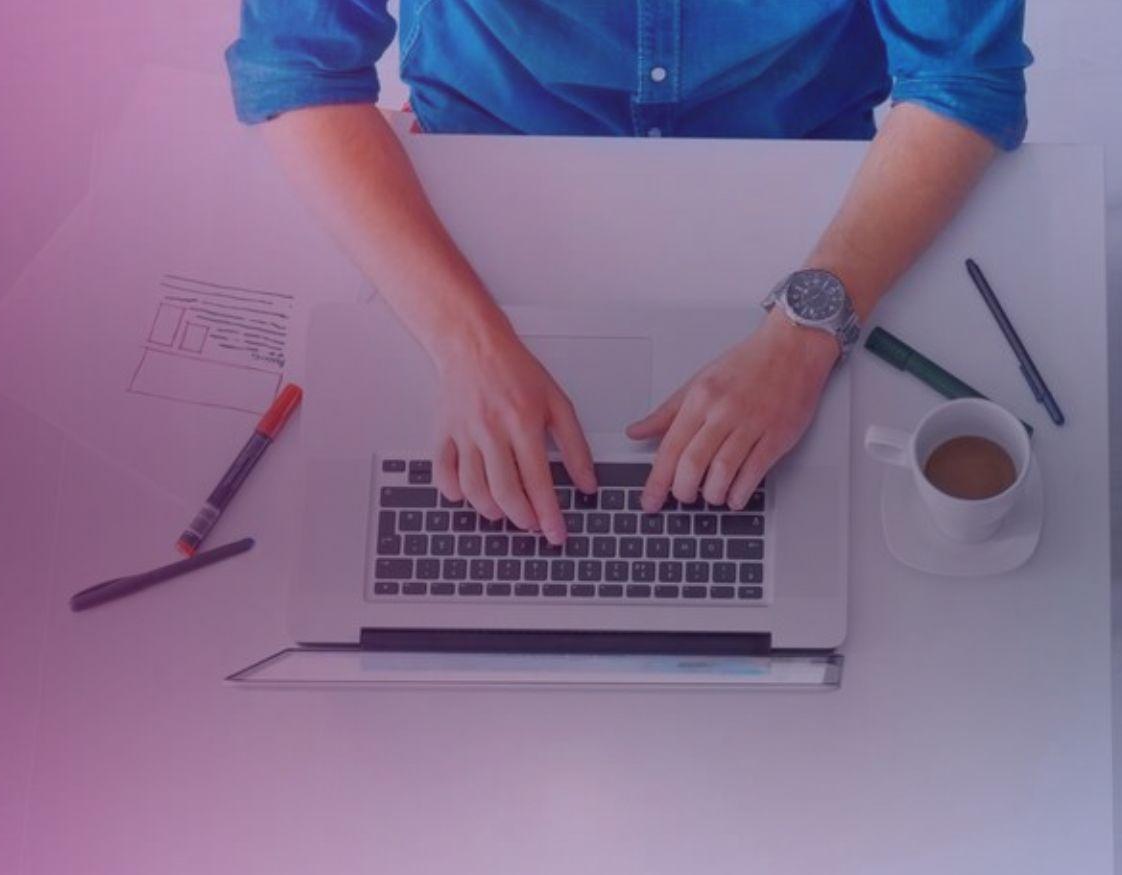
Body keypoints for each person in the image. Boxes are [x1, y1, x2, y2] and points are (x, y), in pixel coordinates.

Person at [225, 2, 1030, 543]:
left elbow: (963, 78)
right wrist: (465, 345)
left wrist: (806, 331)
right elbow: (297, 69)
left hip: (815, 206)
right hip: (467, 212)